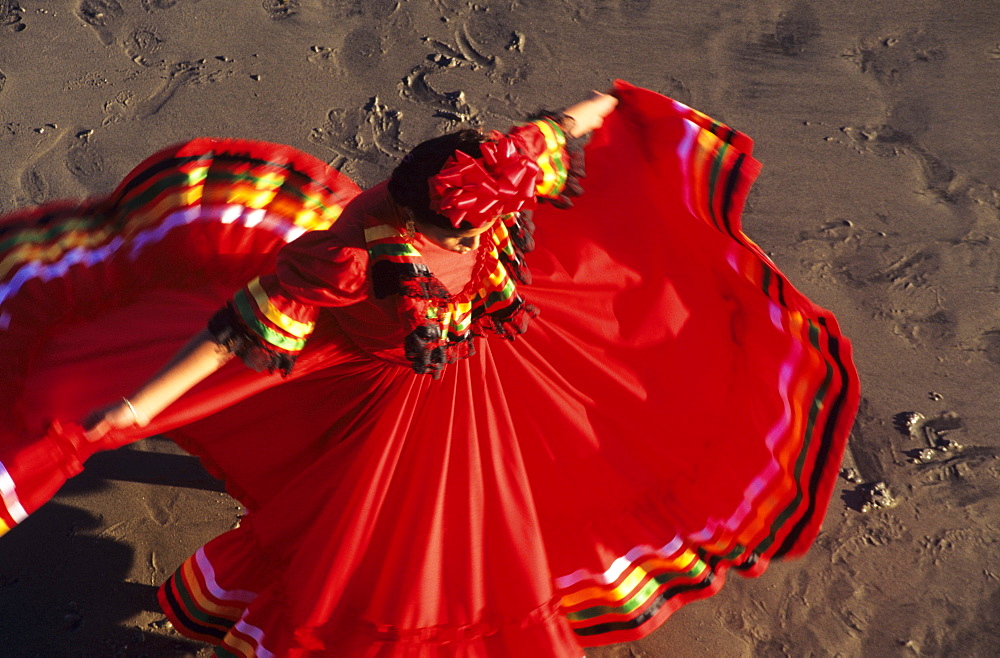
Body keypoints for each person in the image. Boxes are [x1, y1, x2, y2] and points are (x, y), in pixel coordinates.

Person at [0, 82, 859, 656]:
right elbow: (230, 338)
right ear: (410, 212)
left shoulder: (497, 172)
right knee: (389, 529)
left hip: (473, 349)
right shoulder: (346, 257)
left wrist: (629, 104)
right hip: (379, 374)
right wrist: (130, 408)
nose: (474, 238)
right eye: (458, 235)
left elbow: (578, 119)